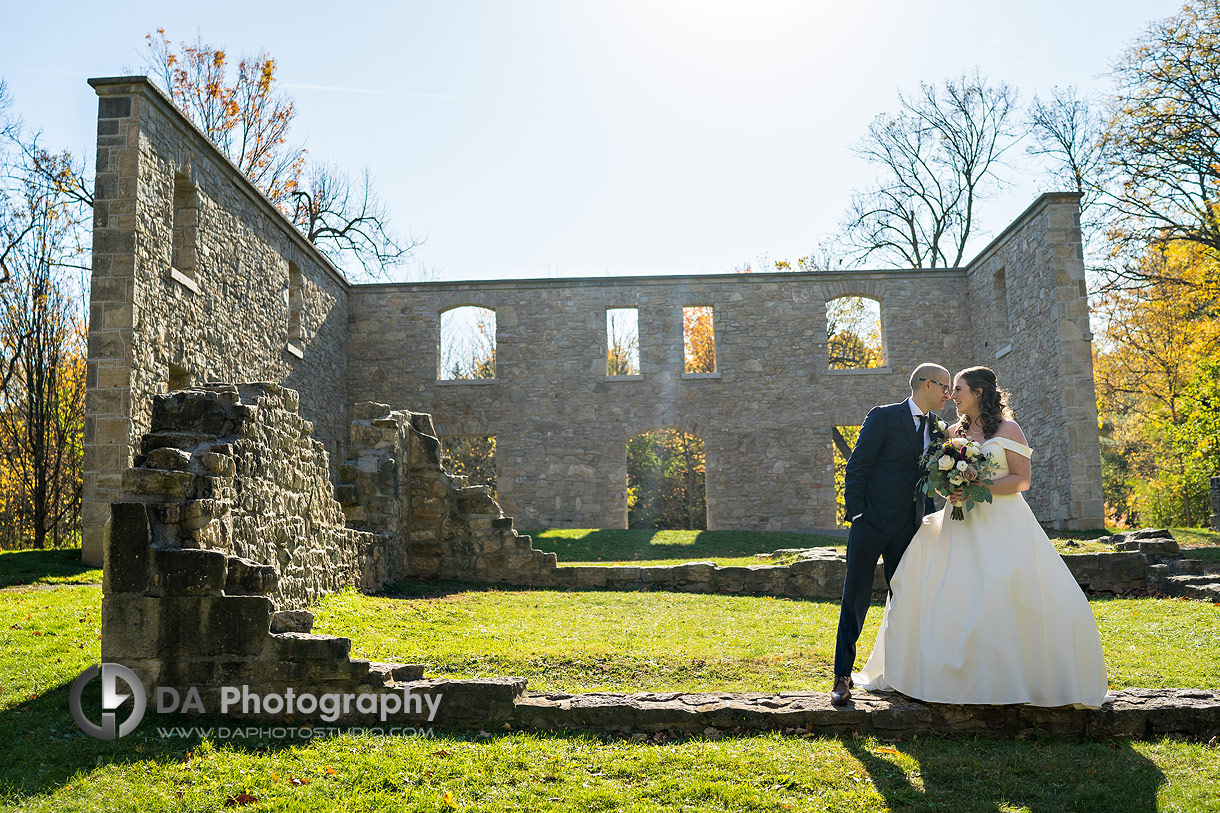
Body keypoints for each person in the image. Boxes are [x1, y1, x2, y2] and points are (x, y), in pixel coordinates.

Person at [854, 366, 1109, 708]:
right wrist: (951, 489)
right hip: (958, 524)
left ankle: (1016, 680)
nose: (951, 395)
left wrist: (977, 485)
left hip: (1002, 523)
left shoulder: (1009, 429)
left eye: (957, 389)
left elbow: (1021, 480)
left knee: (1003, 591)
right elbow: (942, 480)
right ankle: (946, 677)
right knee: (949, 591)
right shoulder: (952, 432)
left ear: (977, 393)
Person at [830, 363, 951, 705]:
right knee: (855, 598)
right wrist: (857, 514)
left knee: (908, 601)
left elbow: (932, 479)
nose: (947, 393)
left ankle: (905, 674)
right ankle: (841, 676)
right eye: (944, 386)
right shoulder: (883, 416)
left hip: (911, 530)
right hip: (870, 525)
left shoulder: (939, 429)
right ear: (926, 384)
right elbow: (858, 465)